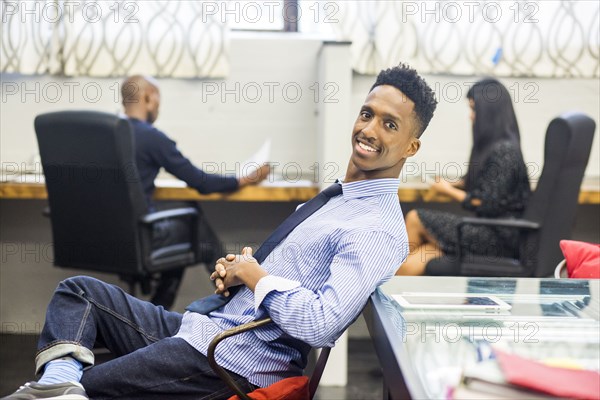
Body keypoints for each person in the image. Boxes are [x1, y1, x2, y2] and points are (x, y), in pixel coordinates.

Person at [2, 63, 437, 400]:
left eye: (389, 124)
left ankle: (62, 387)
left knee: (91, 384)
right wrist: (241, 275)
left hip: (234, 358)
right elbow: (285, 280)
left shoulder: (376, 227)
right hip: (206, 328)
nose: (368, 129)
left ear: (411, 146)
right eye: (367, 114)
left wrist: (256, 277)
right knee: (78, 293)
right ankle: (58, 386)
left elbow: (321, 323)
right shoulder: (336, 200)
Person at [121, 75, 271, 308]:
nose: (158, 110)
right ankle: (234, 298)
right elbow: (200, 182)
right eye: (158, 103)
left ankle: (157, 312)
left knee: (182, 229)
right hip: (138, 237)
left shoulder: (102, 134)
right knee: (191, 221)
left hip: (102, 237)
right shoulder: (152, 138)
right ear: (148, 98)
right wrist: (244, 179)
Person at [398, 78, 531, 276]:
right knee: (424, 254)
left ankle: (386, 285)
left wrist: (447, 190)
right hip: (489, 231)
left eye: (474, 109)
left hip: (498, 238)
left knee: (415, 218)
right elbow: (485, 187)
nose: (471, 116)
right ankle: (392, 287)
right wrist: (454, 184)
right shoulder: (500, 147)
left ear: (489, 112)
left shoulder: (505, 152)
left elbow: (485, 202)